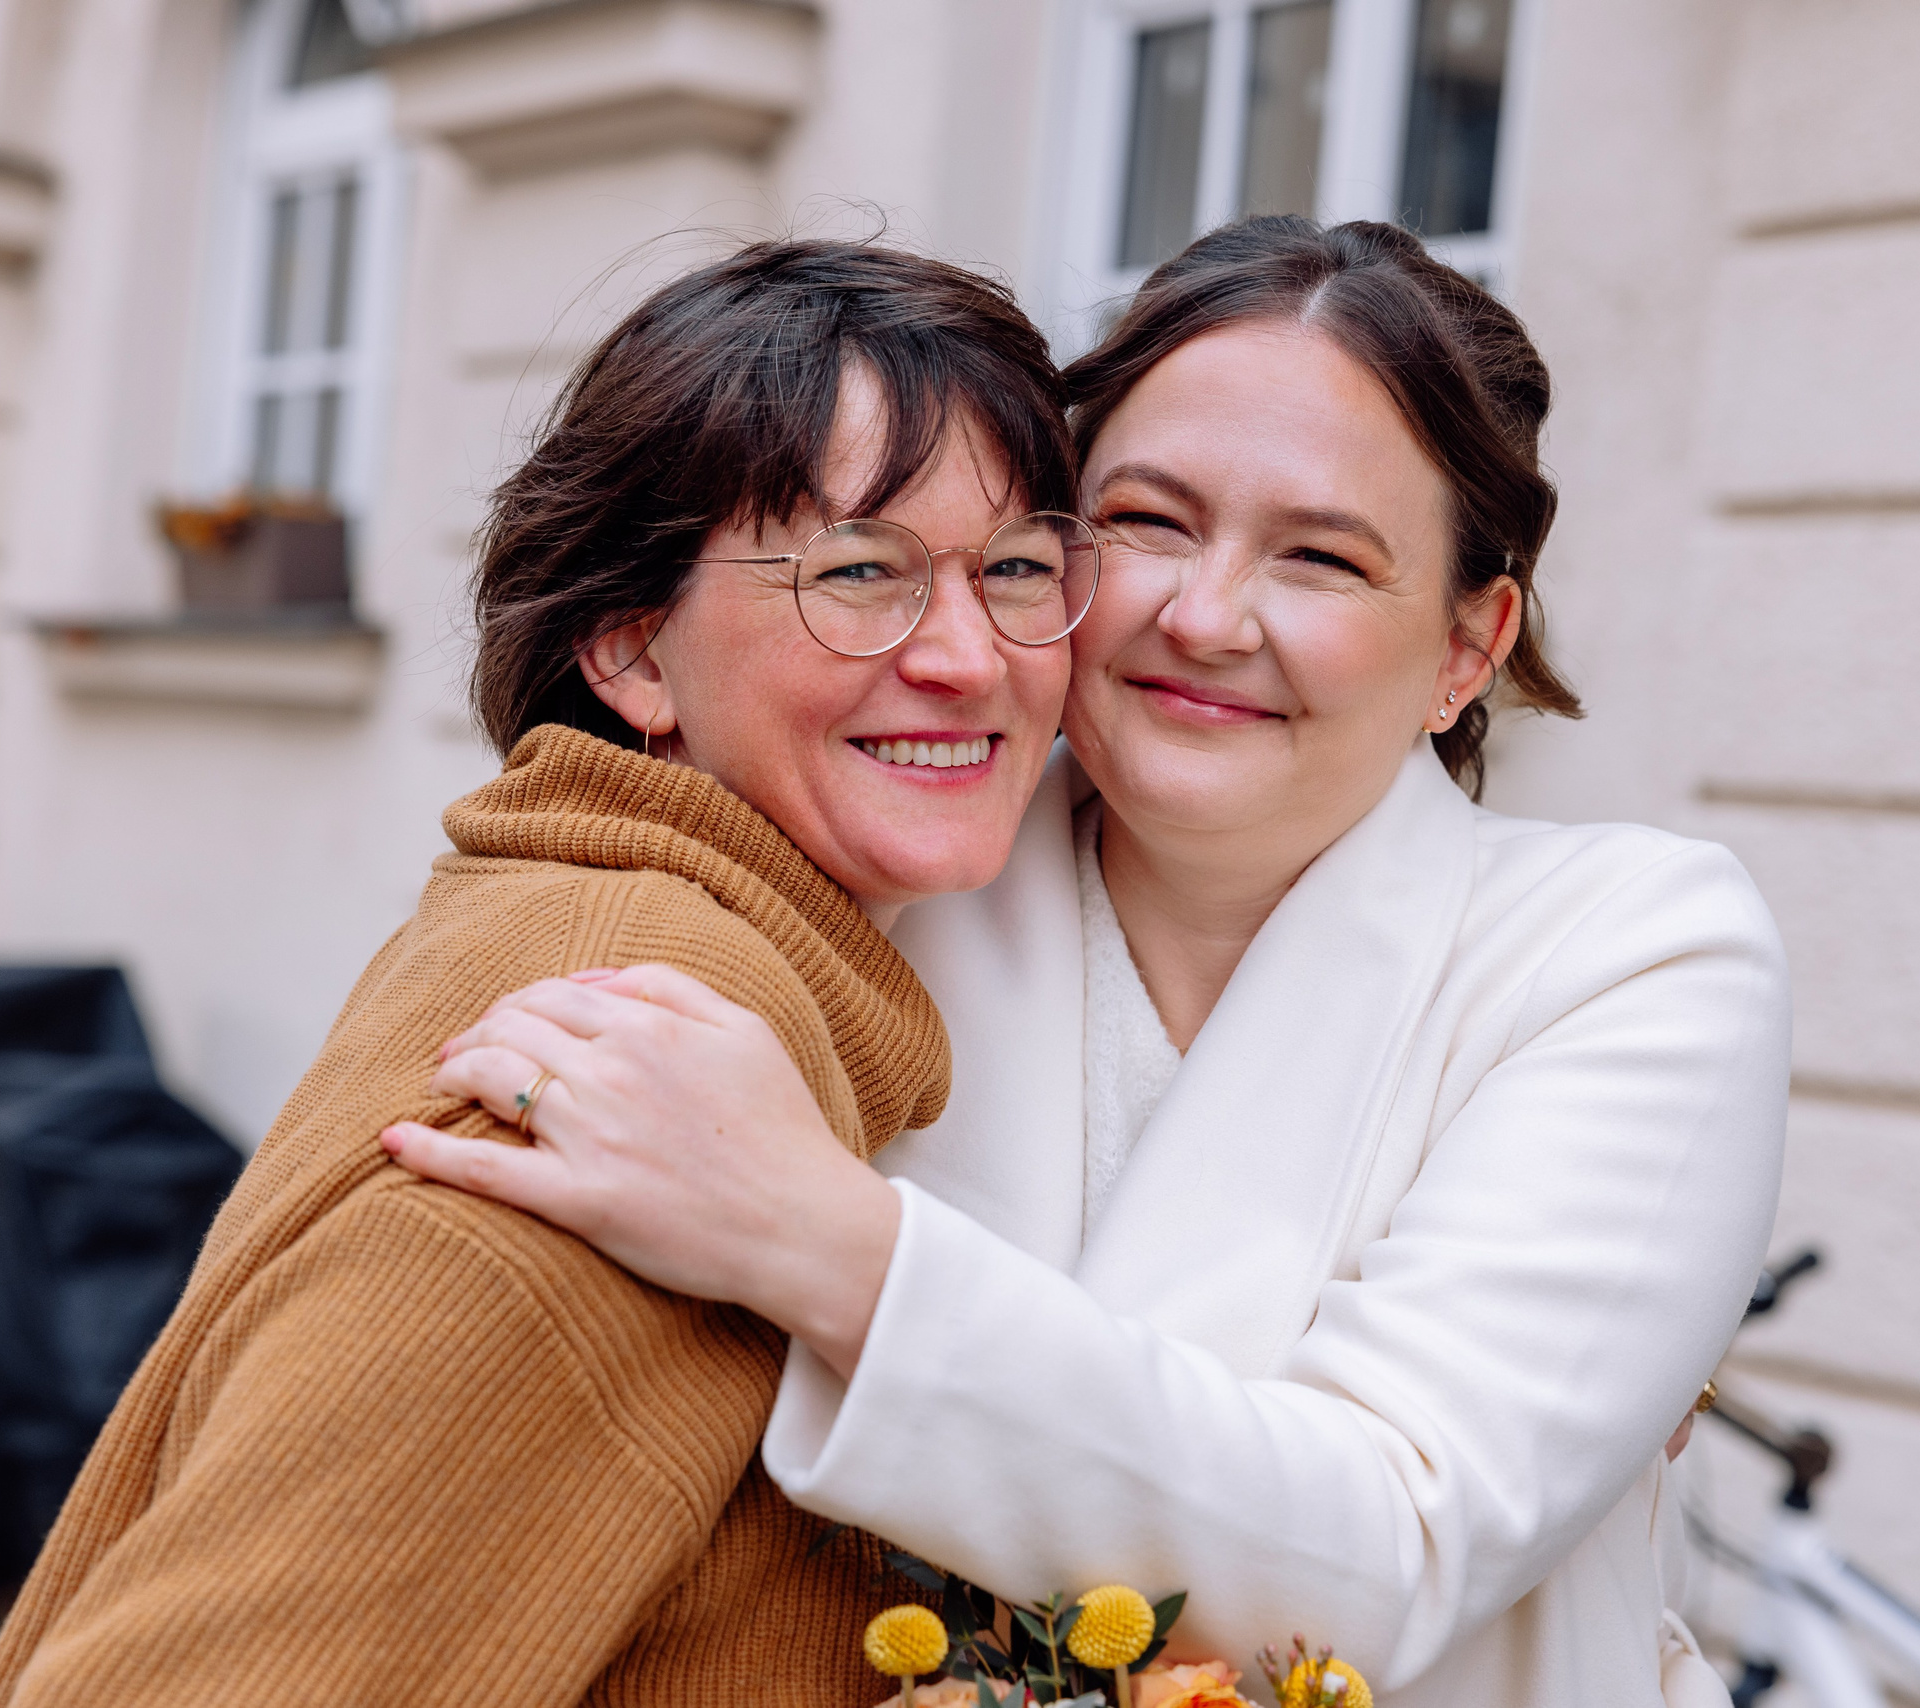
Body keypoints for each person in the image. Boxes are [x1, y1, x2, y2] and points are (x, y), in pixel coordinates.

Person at [385, 218, 1792, 1707]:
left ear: (1469, 645)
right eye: (1148, 523)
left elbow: (1378, 1556)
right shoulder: (874, 887)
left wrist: (816, 1236)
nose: (1205, 618)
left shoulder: (1632, 955)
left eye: (1320, 556)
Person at [0, 239, 1094, 1707]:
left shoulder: (637, 944)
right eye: (861, 573)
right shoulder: (636, 1039)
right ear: (630, 651)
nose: (967, 654)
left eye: (1016, 569)